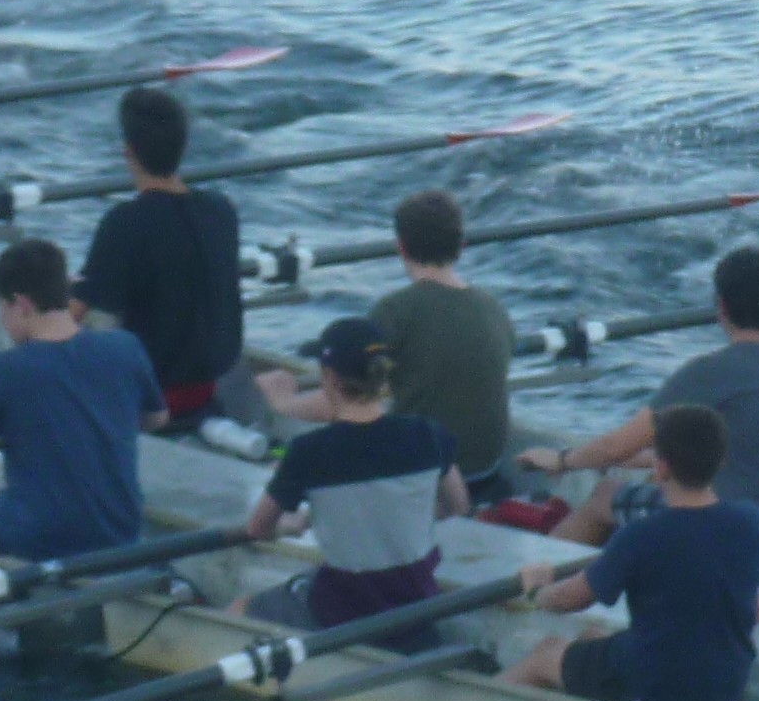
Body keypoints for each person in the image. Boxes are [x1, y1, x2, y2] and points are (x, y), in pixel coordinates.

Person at [525, 246, 759, 581]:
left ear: (721, 306)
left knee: (604, 497)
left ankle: (533, 588)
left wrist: (562, 460)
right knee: (657, 482)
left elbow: (615, 447)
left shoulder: (709, 373)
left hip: (726, 540)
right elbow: (745, 454)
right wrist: (638, 460)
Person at [502, 404, 759, 701]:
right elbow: (755, 611)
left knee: (546, 654)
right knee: (592, 638)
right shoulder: (751, 521)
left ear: (661, 468)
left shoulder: (640, 535)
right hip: (727, 684)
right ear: (721, 461)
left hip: (653, 687)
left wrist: (537, 591)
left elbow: (569, 599)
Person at [0, 238, 162, 560]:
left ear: (21, 304)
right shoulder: (125, 347)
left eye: (2, 307)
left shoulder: (7, 369)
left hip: (37, 535)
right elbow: (156, 419)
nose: (3, 319)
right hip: (121, 528)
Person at [259, 188, 516, 498]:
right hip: (485, 470)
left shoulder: (396, 310)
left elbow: (349, 398)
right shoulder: (494, 309)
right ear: (461, 247)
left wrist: (284, 403)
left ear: (401, 247)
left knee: (281, 467)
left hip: (424, 473)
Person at [233, 317, 467, 644]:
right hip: (416, 603)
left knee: (239, 609)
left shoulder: (308, 452)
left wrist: (292, 524)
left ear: (329, 378)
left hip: (344, 611)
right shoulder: (427, 434)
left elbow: (257, 529)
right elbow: (458, 506)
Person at [79, 86, 244, 428]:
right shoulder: (221, 210)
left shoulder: (125, 222)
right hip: (205, 389)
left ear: (128, 151)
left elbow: (73, 313)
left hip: (147, 400)